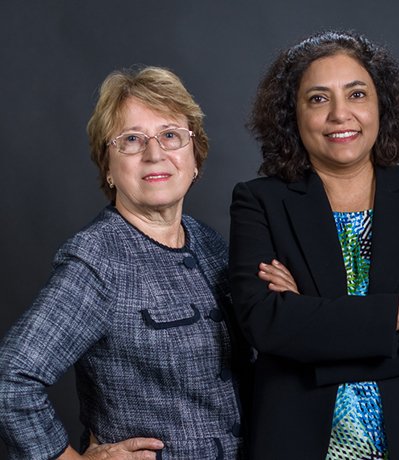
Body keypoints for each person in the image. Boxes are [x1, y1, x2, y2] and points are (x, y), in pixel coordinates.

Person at [228, 30, 399, 459]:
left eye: (357, 94)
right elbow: (266, 325)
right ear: (293, 114)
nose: (340, 114)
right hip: (299, 441)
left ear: (382, 105)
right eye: (318, 99)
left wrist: (310, 330)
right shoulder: (259, 201)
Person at [0, 66, 244, 459]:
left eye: (170, 136)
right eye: (131, 139)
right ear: (108, 167)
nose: (155, 153)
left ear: (194, 156)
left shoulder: (210, 244)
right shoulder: (98, 259)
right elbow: (10, 381)